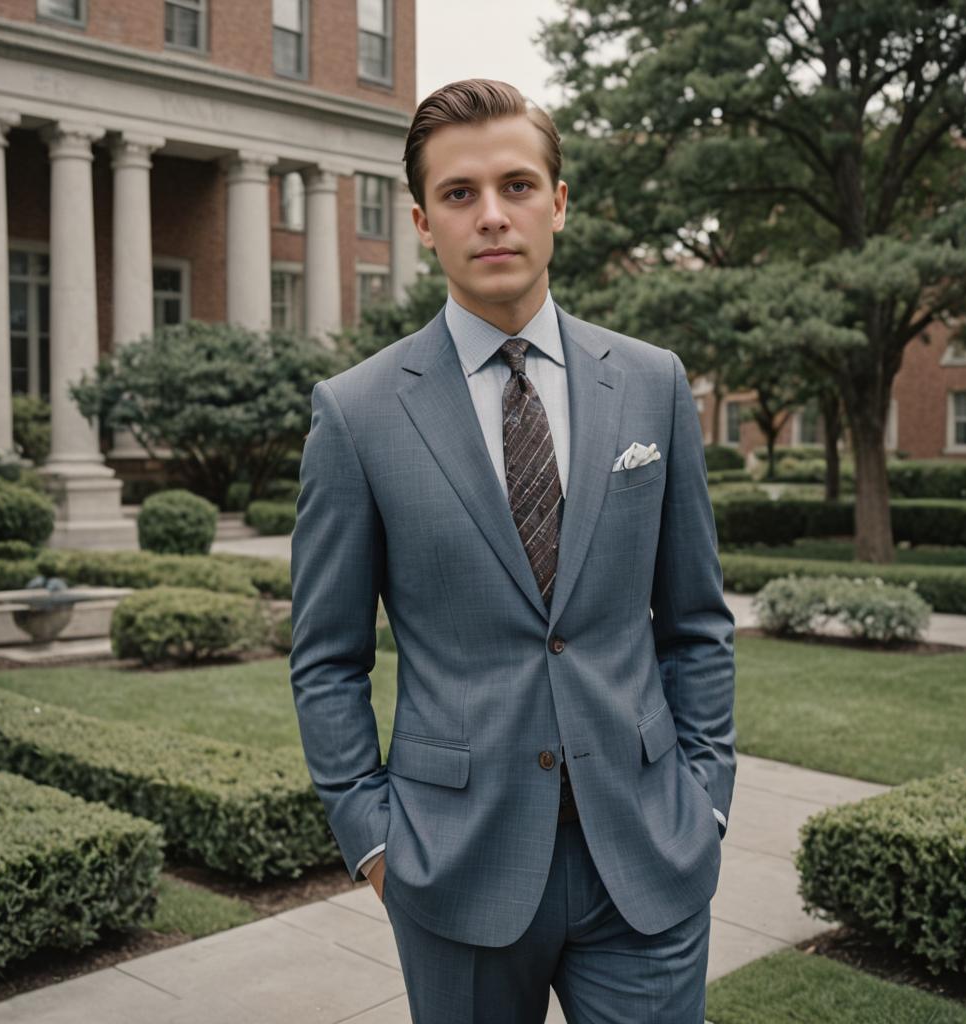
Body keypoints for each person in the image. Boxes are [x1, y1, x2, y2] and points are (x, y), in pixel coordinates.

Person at [289, 78, 736, 1024]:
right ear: (421, 220)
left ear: (559, 203)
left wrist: (709, 799)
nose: (491, 216)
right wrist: (372, 839)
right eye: (459, 195)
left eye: (517, 185)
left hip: (649, 853)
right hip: (455, 866)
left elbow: (695, 621)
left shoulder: (653, 384)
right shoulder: (357, 413)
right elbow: (327, 658)